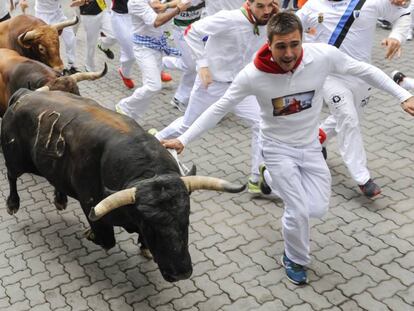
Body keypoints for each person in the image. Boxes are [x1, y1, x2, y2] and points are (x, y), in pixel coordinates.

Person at [161, 12, 414, 285]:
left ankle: (267, 179)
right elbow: (218, 107)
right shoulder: (252, 75)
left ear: (302, 40)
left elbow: (365, 69)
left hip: (310, 147)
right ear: (269, 44)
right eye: (281, 46)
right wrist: (184, 139)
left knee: (316, 209)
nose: (289, 53)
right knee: (298, 210)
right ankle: (295, 258)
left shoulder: (323, 56)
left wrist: (403, 94)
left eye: (295, 44)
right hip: (277, 149)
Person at [155, 0, 278, 194]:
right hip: (211, 83)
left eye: (270, 5)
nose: (266, 11)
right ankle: (154, 141)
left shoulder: (270, 22)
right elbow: (192, 32)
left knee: (261, 123)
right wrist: (202, 65)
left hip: (240, 87)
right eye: (261, 6)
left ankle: (257, 178)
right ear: (249, 3)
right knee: (188, 125)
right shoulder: (229, 18)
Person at [296, 0, 411, 197]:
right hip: (330, 76)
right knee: (348, 119)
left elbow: (403, 14)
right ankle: (362, 178)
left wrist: (396, 36)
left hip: (362, 75)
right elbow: (289, 30)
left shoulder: (370, 2)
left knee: (348, 118)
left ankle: (316, 138)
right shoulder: (312, 6)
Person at [115, 0, 191, 120]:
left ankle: (132, 116)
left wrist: (167, 5)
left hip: (157, 46)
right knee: (153, 86)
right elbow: (157, 21)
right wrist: (177, 10)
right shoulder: (135, 2)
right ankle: (123, 107)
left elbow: (170, 2)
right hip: (144, 49)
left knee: (151, 87)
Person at [162, 0, 205, 112]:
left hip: (197, 30)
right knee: (191, 66)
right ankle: (180, 99)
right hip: (181, 31)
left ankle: (180, 98)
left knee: (193, 65)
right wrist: (166, 5)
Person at [26, 0, 80, 74]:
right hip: (43, 16)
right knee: (50, 45)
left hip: (58, 14)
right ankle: (52, 67)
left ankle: (71, 65)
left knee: (70, 37)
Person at [80, 0, 117, 72]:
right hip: (88, 16)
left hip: (103, 11)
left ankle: (103, 46)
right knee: (91, 44)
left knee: (114, 36)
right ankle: (89, 67)